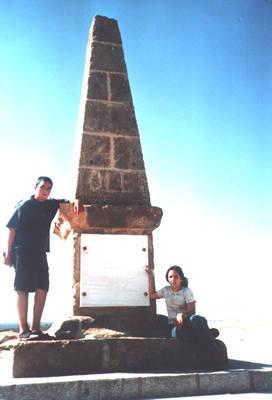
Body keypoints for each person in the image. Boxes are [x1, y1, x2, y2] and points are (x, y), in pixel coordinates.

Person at [3, 176, 81, 341]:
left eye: (48, 188)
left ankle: (35, 329)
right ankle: (24, 331)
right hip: (22, 250)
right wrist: (8, 254)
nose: (45, 191)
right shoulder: (25, 205)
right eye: (42, 187)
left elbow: (65, 201)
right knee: (22, 289)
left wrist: (75, 200)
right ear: (35, 188)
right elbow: (12, 229)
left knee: (42, 287)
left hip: (40, 251)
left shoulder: (50, 204)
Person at [146, 265, 219, 352]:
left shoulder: (187, 291)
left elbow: (192, 312)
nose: (173, 279)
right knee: (179, 334)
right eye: (170, 277)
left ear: (181, 279)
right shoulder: (165, 290)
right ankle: (208, 333)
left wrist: (182, 315)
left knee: (196, 319)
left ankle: (212, 349)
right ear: (168, 279)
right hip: (175, 326)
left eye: (176, 276)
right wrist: (151, 277)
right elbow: (151, 295)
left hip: (188, 322)